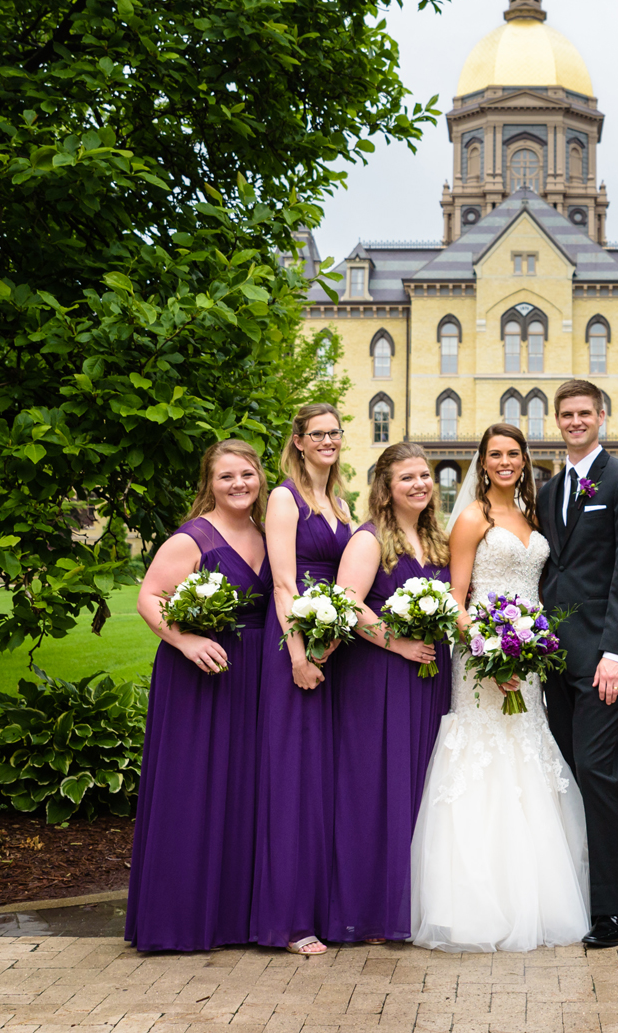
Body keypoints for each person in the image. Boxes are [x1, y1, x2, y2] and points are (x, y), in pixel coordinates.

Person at [412, 424, 590, 952]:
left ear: (524, 459)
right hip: (483, 662)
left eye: (514, 453)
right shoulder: (472, 519)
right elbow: (457, 598)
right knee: (484, 762)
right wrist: (491, 656)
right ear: (482, 462)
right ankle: (475, 904)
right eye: (496, 454)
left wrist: (525, 648)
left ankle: (535, 896)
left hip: (528, 658)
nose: (506, 461)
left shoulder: (535, 518)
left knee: (526, 757)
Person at [125, 440, 272, 953]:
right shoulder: (192, 538)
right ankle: (180, 919)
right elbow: (150, 597)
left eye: (247, 475)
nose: (239, 485)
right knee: (195, 788)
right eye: (227, 476)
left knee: (244, 790)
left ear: (260, 478)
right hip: (199, 675)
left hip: (255, 674)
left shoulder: (265, 533)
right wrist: (185, 641)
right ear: (209, 483)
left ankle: (235, 917)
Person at [537, 380, 618, 949]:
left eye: (585, 412)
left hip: (603, 659)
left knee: (601, 776)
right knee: (573, 777)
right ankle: (581, 894)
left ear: (602, 417)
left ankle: (615, 910)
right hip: (555, 659)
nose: (576, 421)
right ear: (556, 420)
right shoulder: (551, 486)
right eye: (567, 414)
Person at [329, 443, 454, 944]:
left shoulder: (435, 540)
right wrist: (397, 644)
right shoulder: (369, 540)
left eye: (424, 476)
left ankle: (412, 902)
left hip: (430, 678)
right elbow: (346, 602)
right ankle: (371, 910)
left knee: (422, 787)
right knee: (378, 787)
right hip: (379, 678)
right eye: (408, 478)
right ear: (385, 486)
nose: (420, 484)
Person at [254, 403, 354, 955]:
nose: (327, 441)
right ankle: (288, 922)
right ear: (296, 440)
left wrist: (332, 641)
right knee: (291, 779)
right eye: (317, 434)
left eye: (334, 433)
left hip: (332, 648)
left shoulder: (340, 502)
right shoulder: (283, 498)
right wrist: (297, 653)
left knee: (323, 781)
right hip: (293, 648)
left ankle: (325, 907)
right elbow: (284, 584)